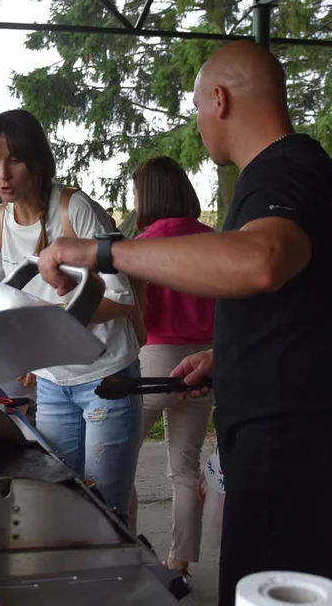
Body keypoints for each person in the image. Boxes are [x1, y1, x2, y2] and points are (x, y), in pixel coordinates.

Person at [36, 41, 332, 605]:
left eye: (197, 108)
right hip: (311, 438)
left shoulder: (281, 175)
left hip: (296, 453)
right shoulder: (302, 171)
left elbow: (261, 261)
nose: (198, 124)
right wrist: (227, 359)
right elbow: (306, 308)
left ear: (217, 100)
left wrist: (106, 252)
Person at [0, 109, 142, 517]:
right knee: (59, 501)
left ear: (39, 162)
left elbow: (123, 298)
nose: (1, 174)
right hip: (51, 384)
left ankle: (118, 578)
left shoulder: (73, 210)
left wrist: (54, 318)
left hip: (104, 378)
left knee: (104, 508)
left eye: (15, 160)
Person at [127, 155, 216, 577]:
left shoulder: (141, 244)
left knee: (119, 462)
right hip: (207, 362)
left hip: (155, 362)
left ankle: (123, 557)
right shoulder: (213, 241)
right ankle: (179, 562)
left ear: (147, 195)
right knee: (185, 467)